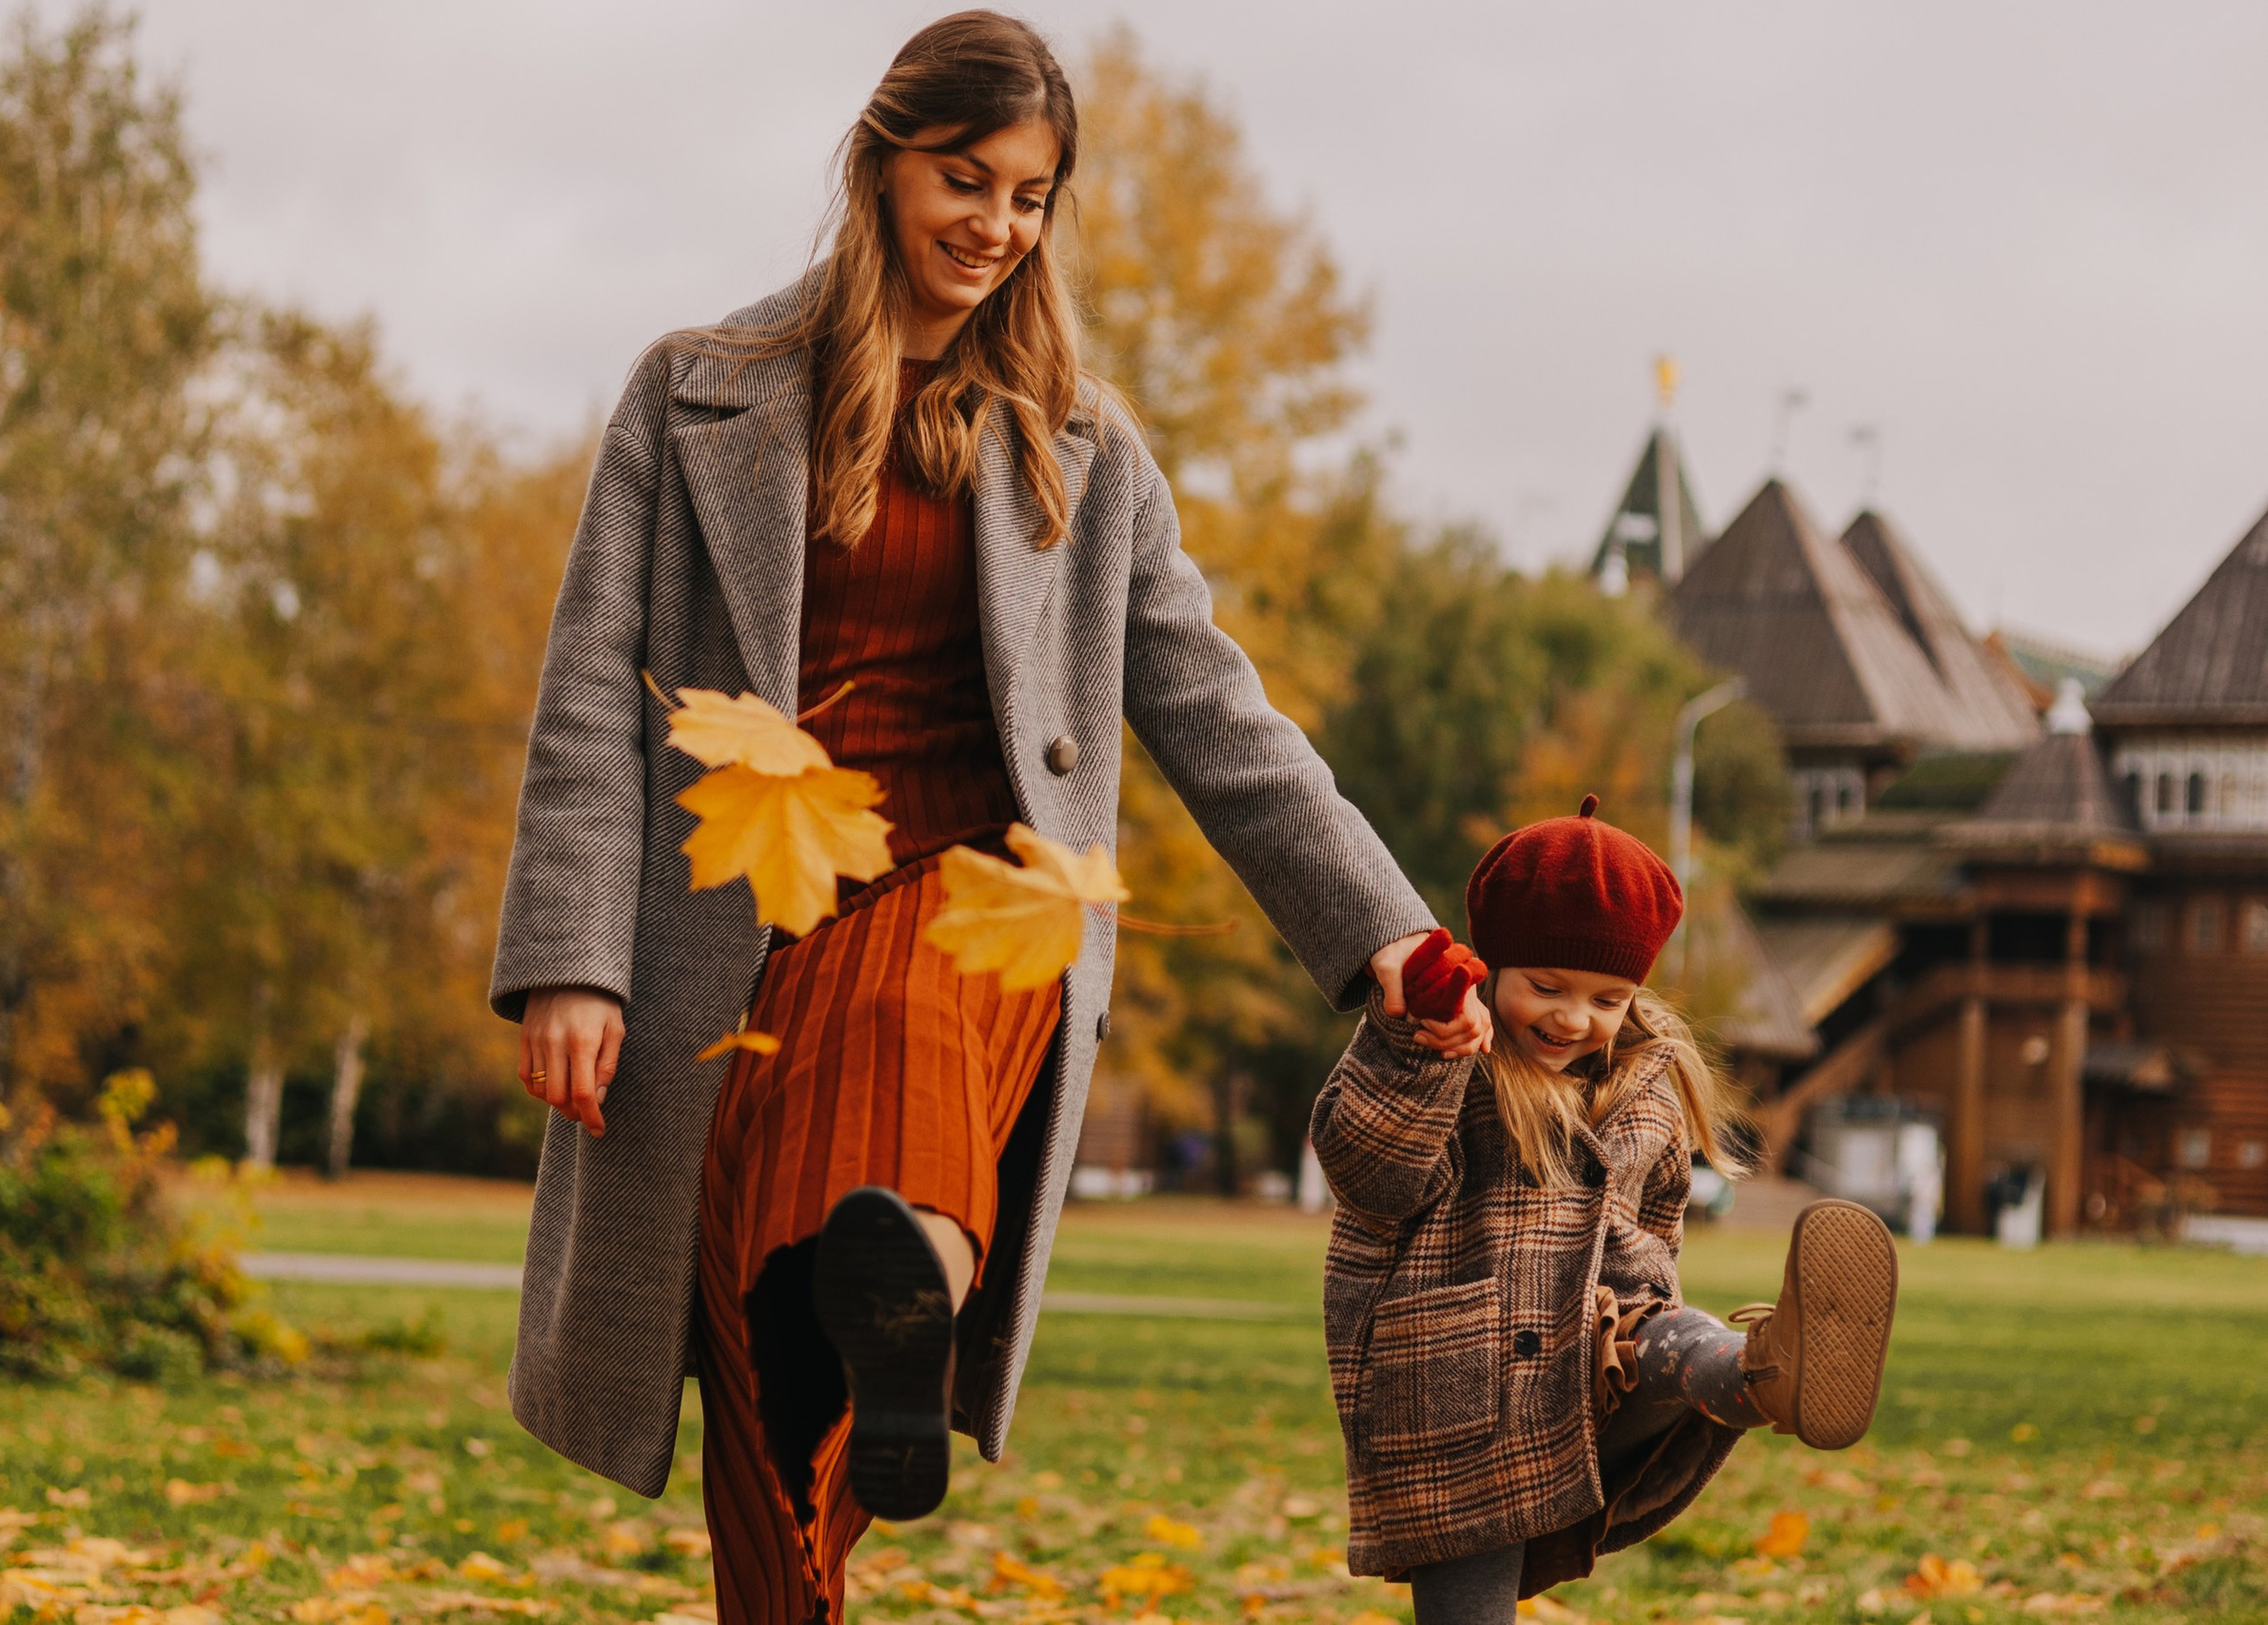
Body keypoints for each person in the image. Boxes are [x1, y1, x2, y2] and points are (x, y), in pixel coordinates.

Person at [489, 13, 1476, 1623]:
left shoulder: (1084, 451)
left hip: (986, 904)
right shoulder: (698, 395)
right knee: (762, 1375)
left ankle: (911, 1300)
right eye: (966, 179)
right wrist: (570, 962)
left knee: (910, 1020)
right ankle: (867, 1341)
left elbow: (1217, 711)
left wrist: (1386, 921)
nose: (995, 226)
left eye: (1030, 198)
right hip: (743, 945)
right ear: (881, 163)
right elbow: (595, 679)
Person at [1310, 796, 1899, 1623]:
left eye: (1607, 998)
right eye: (1546, 987)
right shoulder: (1448, 1055)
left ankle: (1762, 1370)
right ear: (1496, 966)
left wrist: (1636, 1307)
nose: (1572, 1017)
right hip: (1453, 1384)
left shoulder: (1643, 1088)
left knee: (1668, 1334)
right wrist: (1416, 1047)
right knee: (1468, 1603)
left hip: (1590, 1354)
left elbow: (1655, 1231)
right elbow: (1371, 1176)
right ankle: (1737, 1367)